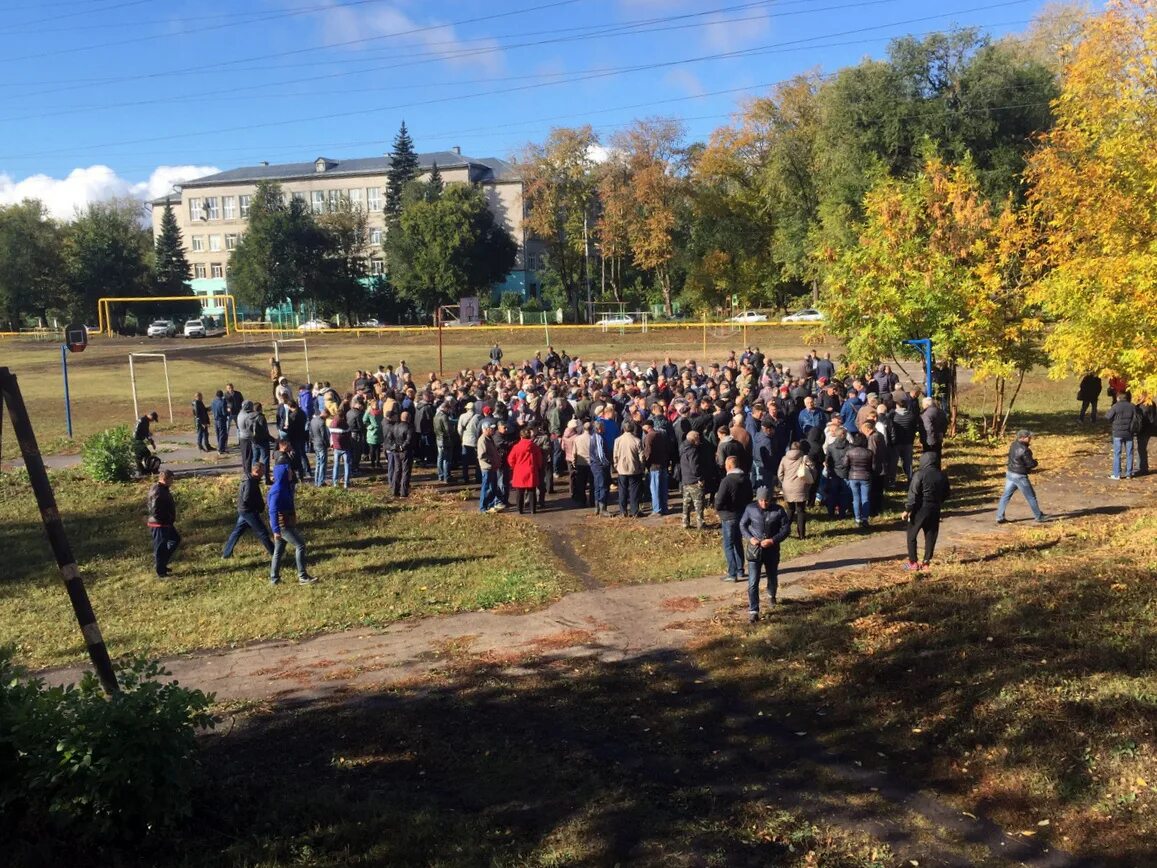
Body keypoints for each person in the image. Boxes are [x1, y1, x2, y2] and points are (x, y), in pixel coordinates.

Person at [267, 440, 317, 585]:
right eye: (288, 471)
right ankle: (302, 576)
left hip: (288, 521)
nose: (291, 473)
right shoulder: (277, 491)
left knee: (278, 551)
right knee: (300, 545)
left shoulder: (286, 487)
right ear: (283, 474)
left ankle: (274, 578)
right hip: (282, 524)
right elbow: (272, 511)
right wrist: (276, 530)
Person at [738, 487, 791, 622]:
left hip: (771, 549)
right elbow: (742, 525)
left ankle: (771, 595)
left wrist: (773, 540)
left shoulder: (779, 510)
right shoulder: (750, 509)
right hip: (755, 550)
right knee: (753, 581)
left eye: (766, 501)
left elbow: (785, 529)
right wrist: (750, 538)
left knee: (772, 576)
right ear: (758, 499)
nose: (763, 503)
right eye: (761, 500)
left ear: (770, 499)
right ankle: (753, 610)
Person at [902, 452, 950, 571]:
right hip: (935, 508)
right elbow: (947, 493)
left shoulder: (919, 474)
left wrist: (908, 509)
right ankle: (926, 563)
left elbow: (913, 493)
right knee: (931, 535)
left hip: (920, 508)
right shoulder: (942, 475)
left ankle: (913, 562)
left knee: (912, 535)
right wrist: (938, 502)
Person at [222, 462, 275, 559]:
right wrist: (256, 508)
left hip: (244, 510)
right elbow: (247, 498)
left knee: (237, 532)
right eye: (262, 471)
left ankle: (226, 553)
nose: (264, 473)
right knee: (262, 532)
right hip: (248, 511)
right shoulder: (250, 482)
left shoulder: (251, 479)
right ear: (257, 470)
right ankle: (274, 553)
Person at [715, 454, 753, 582]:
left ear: (729, 466)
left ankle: (732, 573)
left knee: (728, 545)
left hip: (728, 516)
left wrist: (719, 509)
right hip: (742, 514)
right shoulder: (746, 479)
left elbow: (719, 501)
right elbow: (750, 497)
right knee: (738, 542)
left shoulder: (726, 481)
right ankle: (740, 570)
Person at [995, 430, 1047, 523]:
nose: (1030, 438)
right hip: (1020, 476)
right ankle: (1038, 516)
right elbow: (1030, 464)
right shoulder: (1025, 450)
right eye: (1029, 437)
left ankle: (999, 516)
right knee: (1031, 496)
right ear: (1022, 438)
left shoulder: (1013, 444)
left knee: (1005, 496)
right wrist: (1035, 462)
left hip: (1010, 473)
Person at [777, 441, 816, 540]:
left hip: (787, 487)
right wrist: (809, 482)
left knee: (790, 510)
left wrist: (785, 482)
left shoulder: (784, 458)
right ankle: (801, 535)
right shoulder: (804, 458)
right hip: (801, 487)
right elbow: (813, 471)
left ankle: (785, 532)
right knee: (801, 511)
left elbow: (779, 474)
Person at [146, 469, 180, 579]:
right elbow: (155, 510)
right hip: (160, 524)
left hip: (165, 523)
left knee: (175, 539)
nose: (172, 482)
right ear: (166, 479)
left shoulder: (162, 489)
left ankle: (162, 563)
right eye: (172, 479)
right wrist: (167, 518)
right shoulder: (158, 491)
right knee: (160, 547)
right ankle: (160, 571)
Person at [613, 420, 645, 517]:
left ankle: (623, 511)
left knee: (622, 491)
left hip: (621, 469)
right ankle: (634, 511)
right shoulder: (637, 440)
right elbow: (641, 457)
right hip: (634, 469)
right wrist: (641, 467)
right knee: (634, 491)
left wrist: (616, 465)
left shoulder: (617, 440)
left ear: (624, 428)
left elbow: (615, 455)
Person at [507, 427, 543, 514]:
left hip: (519, 471)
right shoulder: (535, 447)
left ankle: (520, 509)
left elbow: (510, 459)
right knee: (532, 491)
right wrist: (538, 467)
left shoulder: (516, 447)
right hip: (531, 470)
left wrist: (514, 467)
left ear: (521, 437)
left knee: (520, 492)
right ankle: (532, 509)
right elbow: (539, 459)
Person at [842, 432, 874, 529]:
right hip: (865, 476)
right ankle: (865, 519)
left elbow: (844, 464)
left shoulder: (850, 452)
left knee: (856, 499)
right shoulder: (869, 452)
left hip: (853, 476)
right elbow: (873, 466)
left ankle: (857, 519)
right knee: (865, 498)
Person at [1105, 391, 1138, 480]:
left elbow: (1108, 417)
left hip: (1117, 433)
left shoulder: (1115, 406)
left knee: (1117, 453)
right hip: (1129, 433)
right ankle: (1129, 473)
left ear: (1118, 398)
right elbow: (1136, 418)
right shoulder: (1132, 406)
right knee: (1129, 453)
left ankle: (1117, 474)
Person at [679, 430, 708, 530]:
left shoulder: (683, 447)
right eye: (698, 438)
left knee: (686, 503)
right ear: (693, 439)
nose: (699, 440)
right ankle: (701, 523)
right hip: (694, 480)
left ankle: (685, 523)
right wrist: (700, 478)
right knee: (699, 503)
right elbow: (695, 466)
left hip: (685, 479)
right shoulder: (692, 451)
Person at [641, 417, 669, 516]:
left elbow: (647, 452)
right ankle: (664, 508)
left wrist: (644, 464)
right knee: (663, 488)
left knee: (655, 489)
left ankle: (657, 510)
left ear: (647, 427)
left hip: (654, 466)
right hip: (663, 464)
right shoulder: (661, 434)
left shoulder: (649, 437)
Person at [477, 421, 503, 513]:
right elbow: (482, 455)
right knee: (486, 488)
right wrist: (492, 460)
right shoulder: (482, 440)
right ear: (485, 429)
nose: (493, 430)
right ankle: (482, 508)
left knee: (493, 487)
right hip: (487, 468)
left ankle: (490, 505)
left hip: (492, 467)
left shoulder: (489, 438)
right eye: (490, 428)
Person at [309, 409, 330, 487]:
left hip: (315, 443)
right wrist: (327, 445)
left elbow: (310, 432)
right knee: (322, 463)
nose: (326, 418)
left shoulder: (313, 420)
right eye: (327, 417)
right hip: (321, 444)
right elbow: (324, 436)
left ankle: (316, 481)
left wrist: (312, 441)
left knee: (318, 463)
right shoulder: (321, 423)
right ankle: (321, 481)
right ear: (324, 414)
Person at [210, 389, 229, 454]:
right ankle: (221, 449)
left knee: (218, 434)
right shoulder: (223, 402)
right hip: (221, 420)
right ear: (222, 395)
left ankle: (220, 446)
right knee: (222, 434)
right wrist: (228, 412)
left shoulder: (213, 401)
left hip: (215, 419)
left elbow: (212, 409)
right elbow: (224, 413)